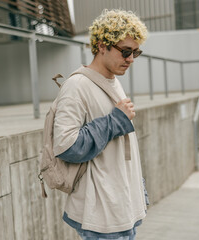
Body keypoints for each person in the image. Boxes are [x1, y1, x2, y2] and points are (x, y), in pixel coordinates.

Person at [52, 9, 149, 240]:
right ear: (102, 45)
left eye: (136, 52)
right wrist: (116, 120)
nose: (131, 59)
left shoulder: (113, 80)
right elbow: (66, 146)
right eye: (125, 51)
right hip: (102, 218)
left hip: (121, 209)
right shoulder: (77, 86)